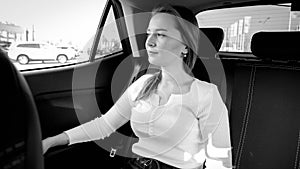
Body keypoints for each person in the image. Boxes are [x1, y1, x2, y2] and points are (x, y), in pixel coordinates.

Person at [43, 4, 232, 169]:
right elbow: (104, 125)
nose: (149, 42)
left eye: (161, 34)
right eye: (149, 33)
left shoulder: (206, 95)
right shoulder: (143, 84)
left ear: (185, 46)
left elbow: (219, 162)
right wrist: (52, 141)